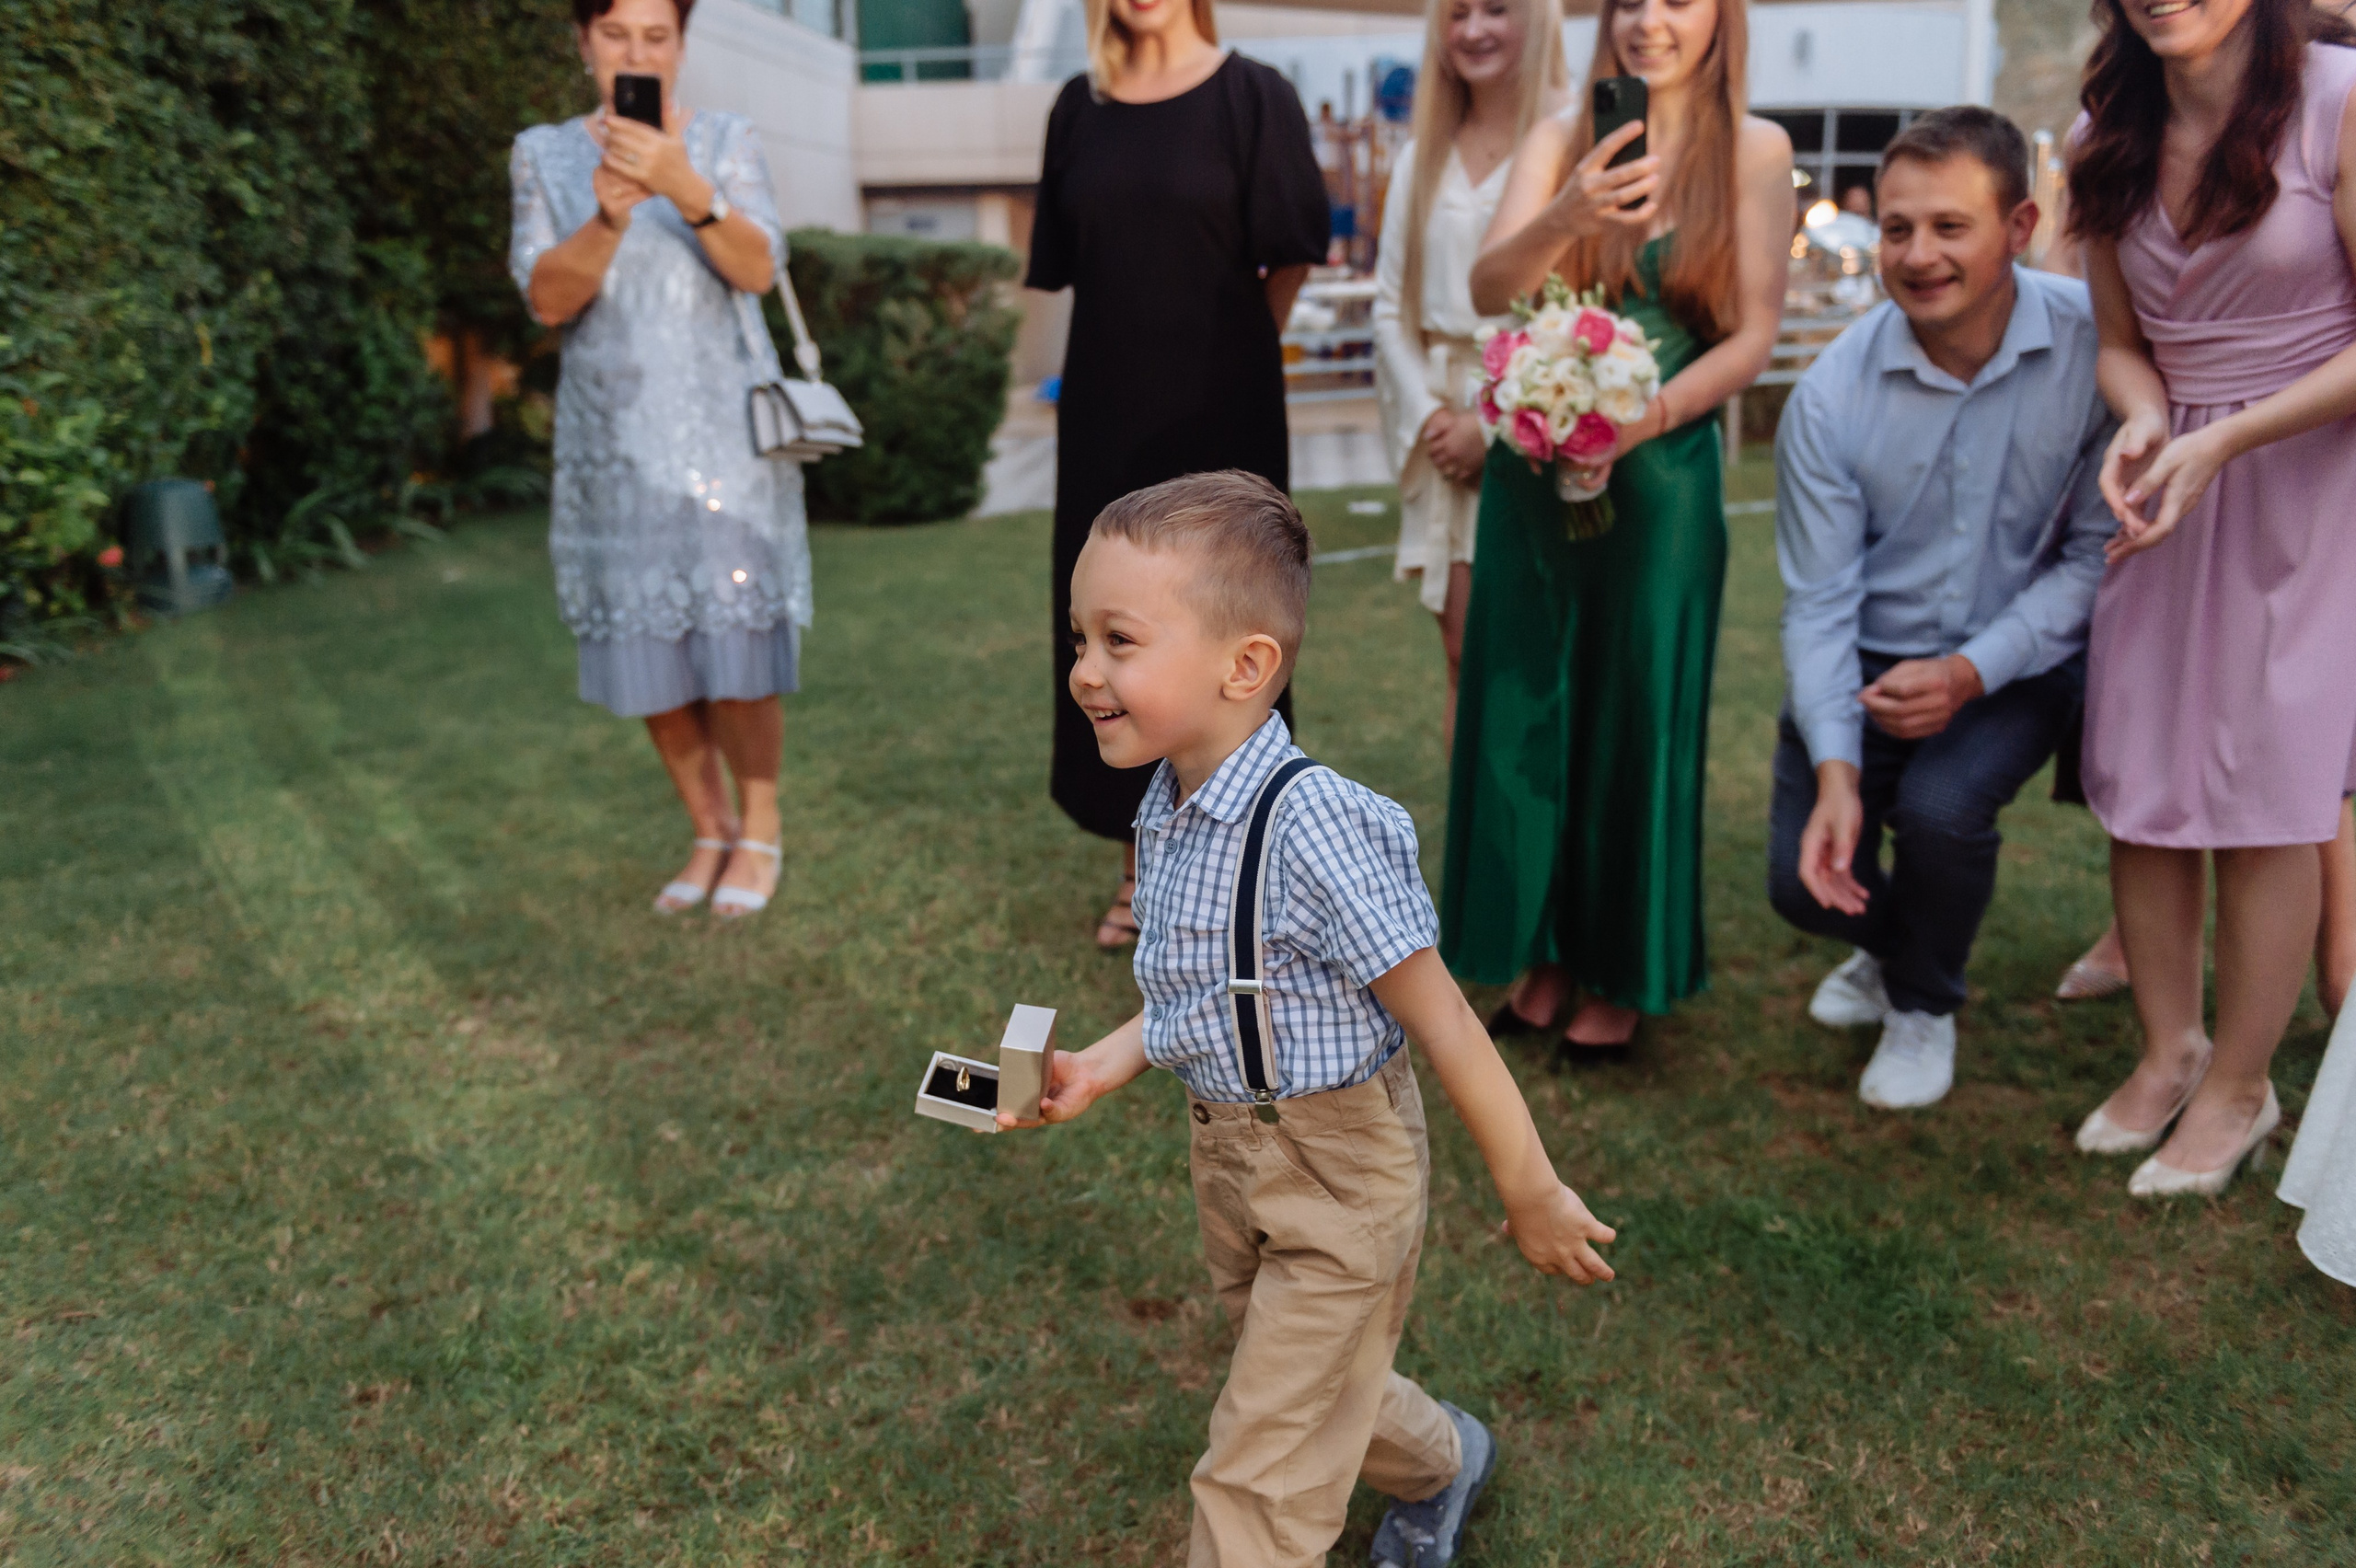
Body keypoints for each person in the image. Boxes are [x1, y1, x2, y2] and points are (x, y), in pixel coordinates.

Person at [1003, 471, 1616, 1568]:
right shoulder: (1174, 800)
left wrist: (1531, 1190)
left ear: (1246, 666)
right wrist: (1103, 1062)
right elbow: (1207, 988)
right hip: (1231, 1160)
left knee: (1256, 1463)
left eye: (1120, 641)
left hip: (1341, 1169)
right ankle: (1443, 1463)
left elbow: (1446, 1026)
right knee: (1303, 1373)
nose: (1084, 672)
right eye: (1080, 637)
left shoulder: (1316, 829)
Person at [1442, 0, 1793, 1051]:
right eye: (1628, 0)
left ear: (1720, 15)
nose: (1649, 22)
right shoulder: (1562, 134)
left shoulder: (1757, 149)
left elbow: (1755, 334)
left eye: (1676, 0)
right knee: (1523, 708)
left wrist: (1638, 423)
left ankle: (1619, 972)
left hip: (1659, 468)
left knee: (1633, 712)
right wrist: (1568, 212)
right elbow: (1487, 288)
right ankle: (1539, 952)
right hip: (1534, 466)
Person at [2065, 0, 2356, 1195]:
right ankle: (2168, 1047)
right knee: (2141, 775)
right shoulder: (2104, 126)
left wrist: (2226, 437)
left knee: (2270, 792)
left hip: (2308, 479)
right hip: (2167, 484)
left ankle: (2243, 1084)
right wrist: (2145, 419)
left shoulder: (2339, 97)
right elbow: (2121, 339)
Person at [1768, 109, 2113, 1109]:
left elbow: (2097, 560)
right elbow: (1819, 605)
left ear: (2020, 226)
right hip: (1868, 660)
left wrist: (1971, 672)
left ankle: (1921, 999)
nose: (1918, 256)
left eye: (1950, 227)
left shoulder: (2095, 352)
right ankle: (1890, 948)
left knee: (1941, 811)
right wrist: (1835, 769)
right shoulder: (1830, 395)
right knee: (1801, 881)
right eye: (1898, 229)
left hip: (2016, 659)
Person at [1024, 0, 1329, 951]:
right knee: (1111, 635)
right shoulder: (1079, 106)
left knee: (1222, 636)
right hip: (1106, 419)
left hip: (1221, 418)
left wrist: (1231, 353)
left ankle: (1240, 870)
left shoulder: (1255, 96)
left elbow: (1287, 260)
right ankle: (1137, 865)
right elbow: (1072, 270)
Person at [509, 0, 806, 918]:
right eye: (614, 35)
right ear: (583, 43)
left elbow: (759, 269)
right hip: (616, 450)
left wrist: (689, 188)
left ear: (680, 46)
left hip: (727, 448)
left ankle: (760, 831)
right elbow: (546, 300)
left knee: (738, 648)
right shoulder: (543, 153)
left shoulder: (722, 139)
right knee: (647, 652)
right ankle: (708, 828)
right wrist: (603, 219)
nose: (635, 53)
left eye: (655, 36)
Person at [1372, 0, 1568, 744]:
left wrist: (1490, 424)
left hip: (1536, 420)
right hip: (1442, 425)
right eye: (1457, 13)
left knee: (1536, 654)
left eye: (1497, 9)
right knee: (1462, 653)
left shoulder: (1567, 139)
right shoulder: (1422, 153)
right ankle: (1474, 855)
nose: (1476, 29)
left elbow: (1578, 300)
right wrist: (1431, 419)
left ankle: (1542, 848)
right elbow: (1390, 308)